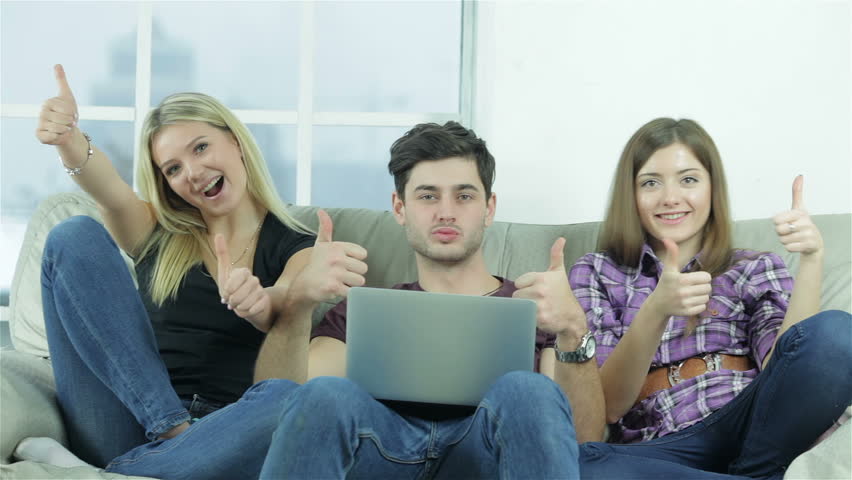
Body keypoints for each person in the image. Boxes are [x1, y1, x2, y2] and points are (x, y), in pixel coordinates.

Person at [14, 64, 321, 479]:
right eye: (172, 168)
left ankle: (111, 473)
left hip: (225, 435)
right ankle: (173, 434)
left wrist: (261, 302)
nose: (192, 173)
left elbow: (288, 298)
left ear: (235, 142)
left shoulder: (296, 243)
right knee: (73, 234)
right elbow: (106, 187)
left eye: (200, 148)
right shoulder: (158, 231)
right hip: (125, 417)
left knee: (287, 400)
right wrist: (70, 141)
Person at [256, 121, 606, 478]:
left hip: (486, 454)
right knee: (324, 394)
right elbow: (278, 403)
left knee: (528, 389)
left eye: (464, 196)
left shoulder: (535, 309)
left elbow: (584, 438)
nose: (446, 212)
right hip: (383, 452)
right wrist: (298, 303)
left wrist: (573, 328)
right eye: (427, 196)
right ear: (399, 207)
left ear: (489, 208)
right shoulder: (366, 310)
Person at [571, 118, 852, 479]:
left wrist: (812, 260)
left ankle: (754, 471)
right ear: (631, 194)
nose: (671, 197)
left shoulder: (753, 266)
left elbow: (789, 368)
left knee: (836, 333)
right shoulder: (595, 271)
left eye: (688, 179)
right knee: (581, 464)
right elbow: (608, 406)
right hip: (663, 445)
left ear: (712, 189)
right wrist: (656, 309)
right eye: (651, 182)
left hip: (752, 425)